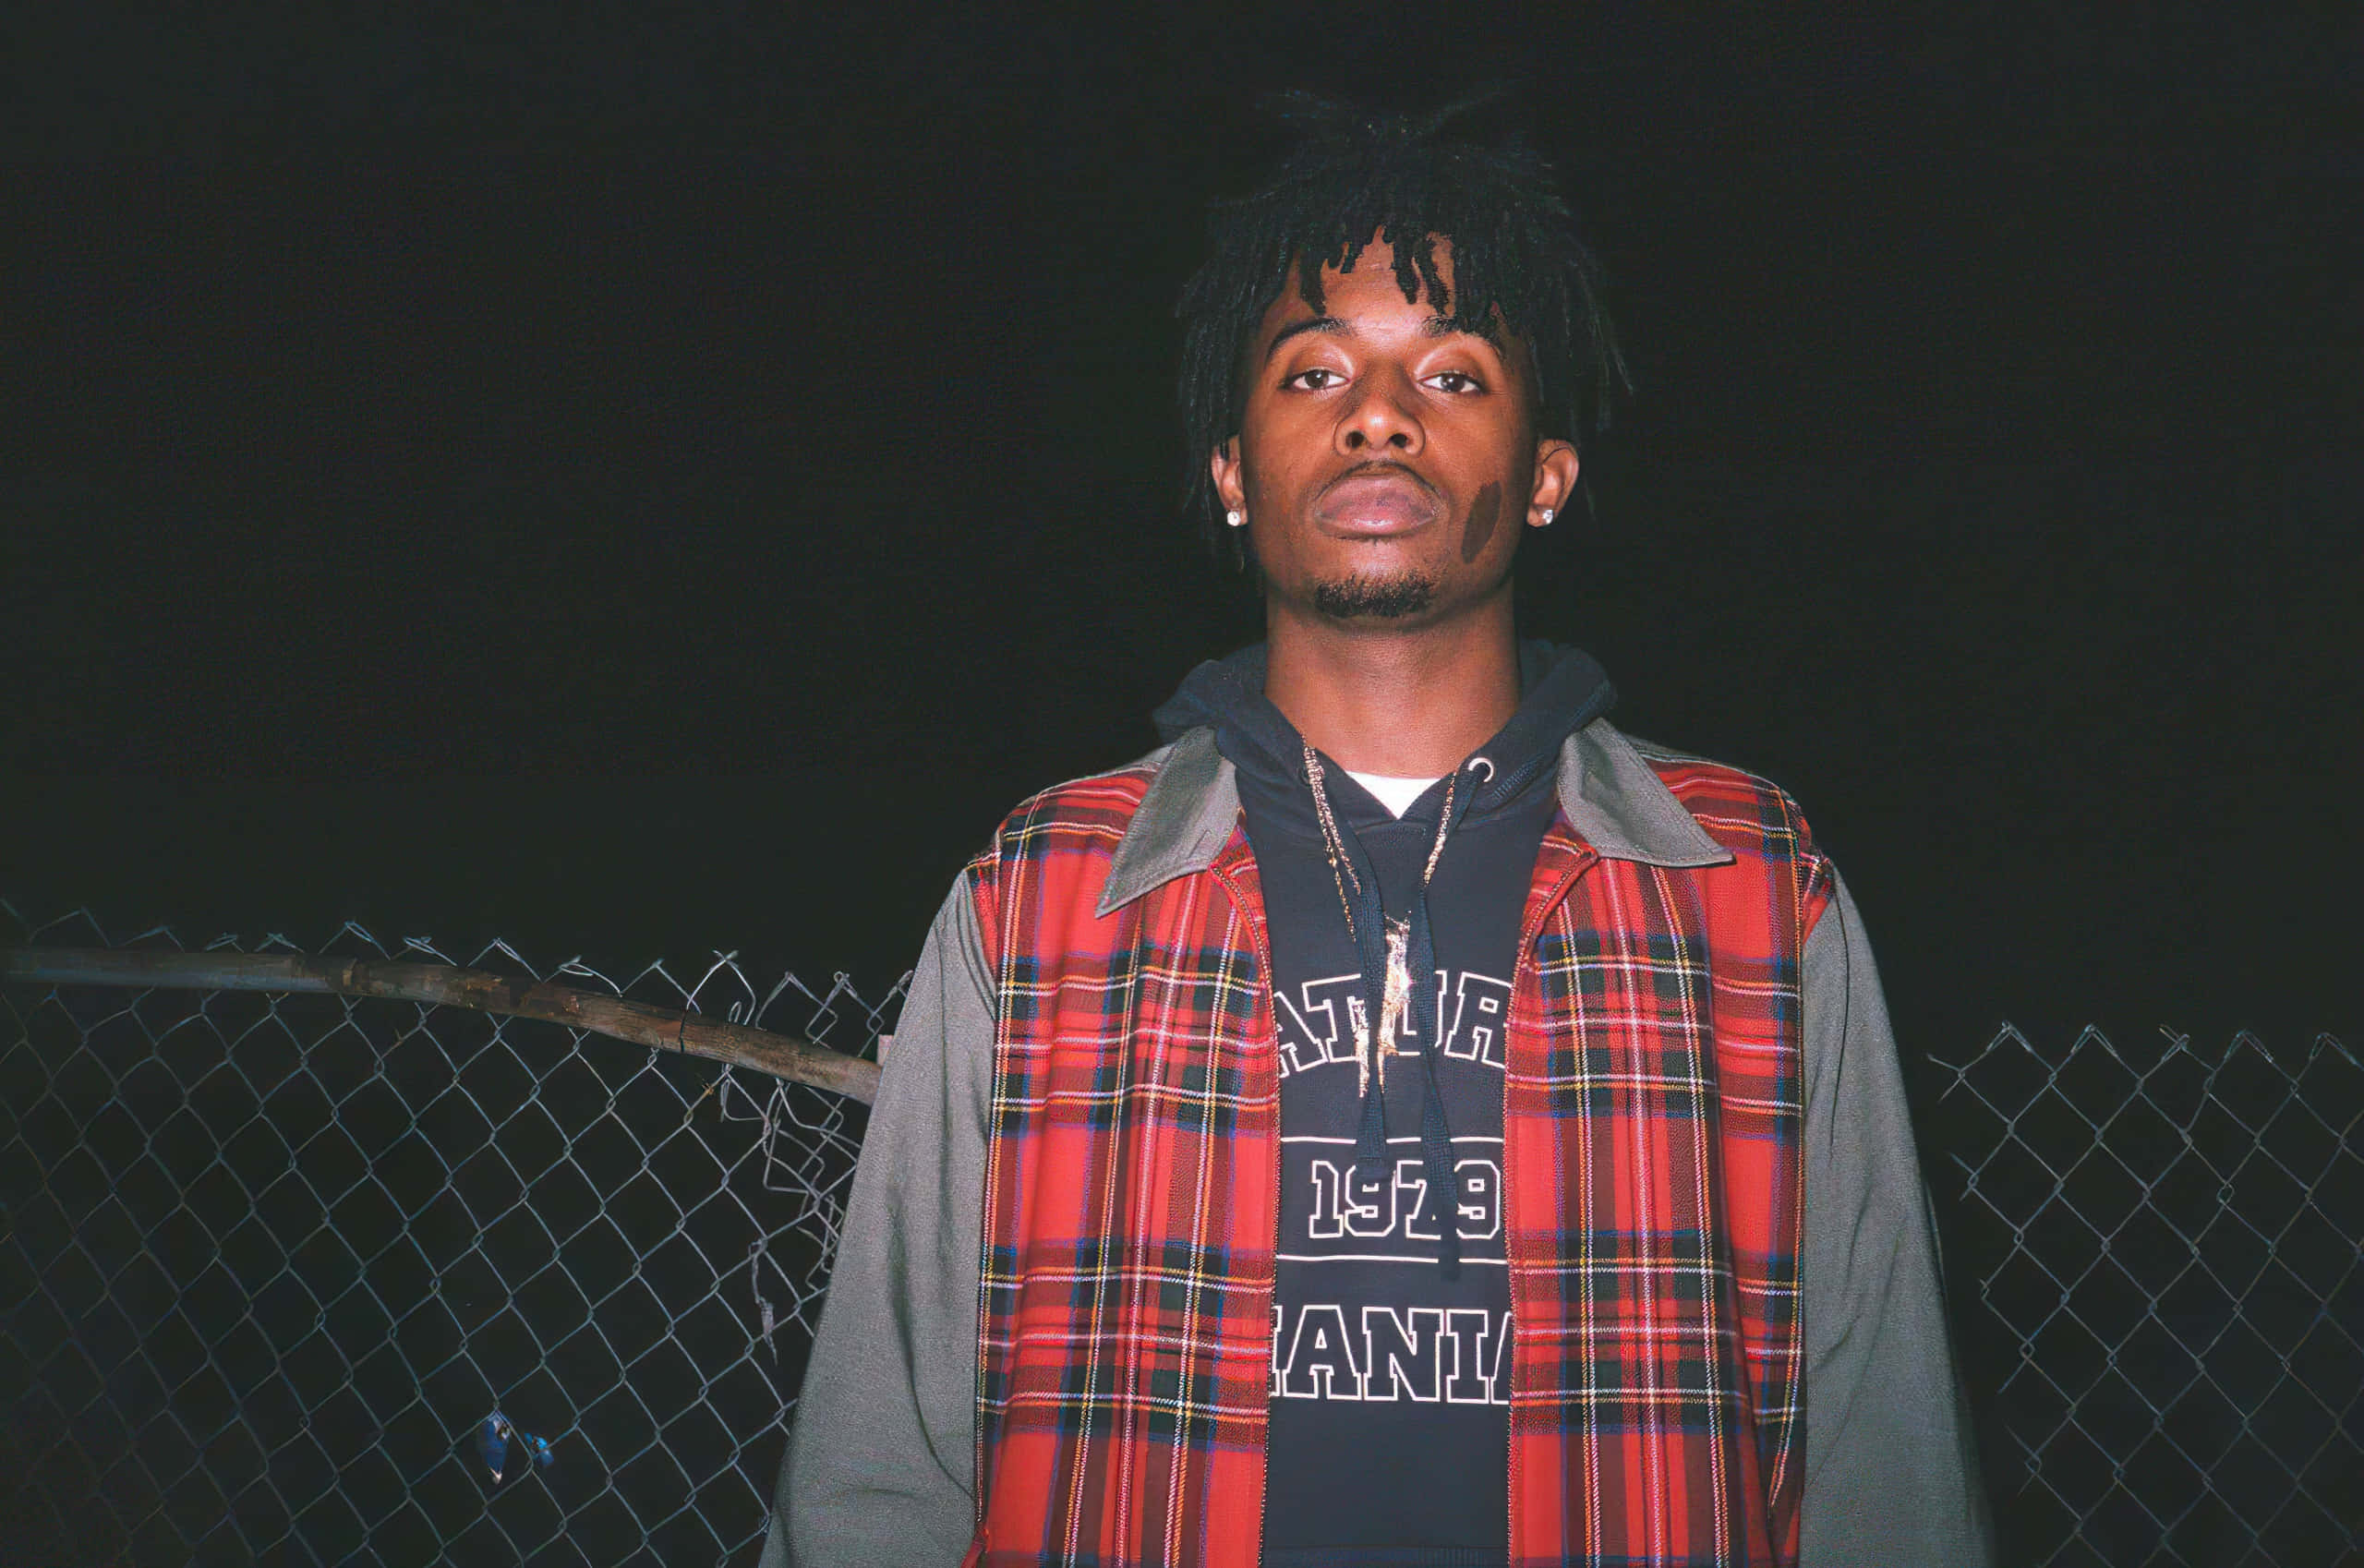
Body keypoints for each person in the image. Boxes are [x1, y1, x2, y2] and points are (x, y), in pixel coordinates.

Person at [765, 96, 1990, 1568]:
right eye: (1315, 370)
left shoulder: (1753, 887)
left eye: (1453, 373)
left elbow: (1884, 1465)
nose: (1379, 414)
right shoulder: (1037, 897)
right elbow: (876, 1479)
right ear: (1232, 469)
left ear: (1548, 474)